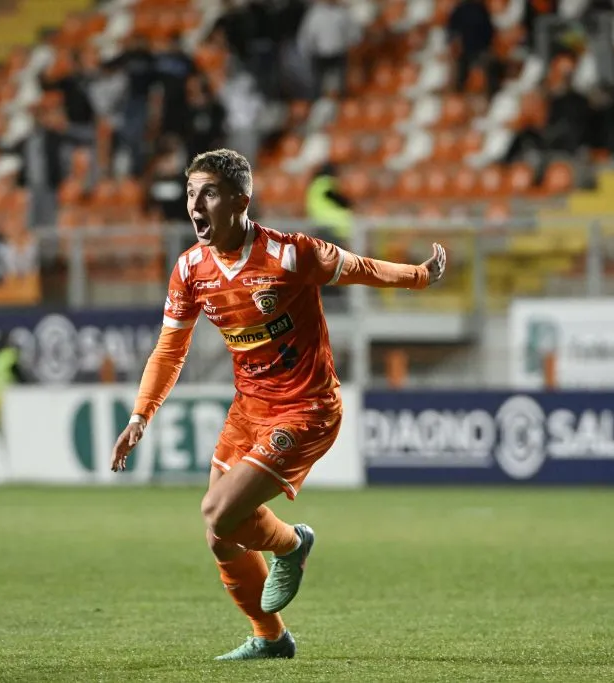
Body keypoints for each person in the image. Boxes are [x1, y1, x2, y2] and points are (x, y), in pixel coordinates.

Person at [110, 148, 446, 661]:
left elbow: (360, 267)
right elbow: (169, 348)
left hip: (307, 408)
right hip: (248, 411)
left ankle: (292, 544)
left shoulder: (289, 255)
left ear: (241, 200)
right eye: (190, 193)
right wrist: (140, 415)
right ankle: (271, 638)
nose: (195, 205)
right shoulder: (191, 269)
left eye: (210, 193)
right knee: (221, 537)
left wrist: (418, 276)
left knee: (217, 511)